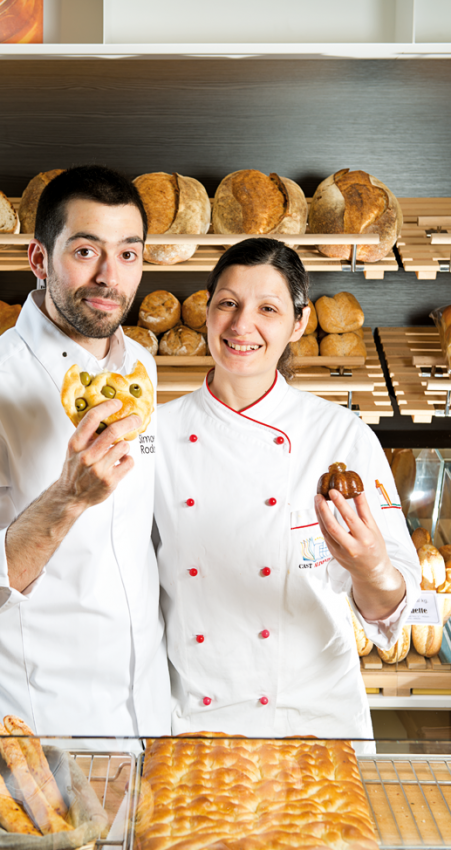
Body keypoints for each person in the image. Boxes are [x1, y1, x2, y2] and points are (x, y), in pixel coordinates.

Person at [0, 165, 171, 737]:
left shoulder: (140, 370)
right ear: (39, 260)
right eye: (85, 250)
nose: (110, 277)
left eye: (129, 254)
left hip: (147, 708)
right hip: (39, 722)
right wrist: (67, 501)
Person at [154, 237, 420, 739]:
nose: (241, 326)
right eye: (227, 303)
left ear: (298, 323)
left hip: (314, 715)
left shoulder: (341, 436)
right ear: (206, 312)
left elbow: (390, 611)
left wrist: (372, 568)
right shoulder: (155, 435)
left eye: (268, 309)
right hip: (192, 718)